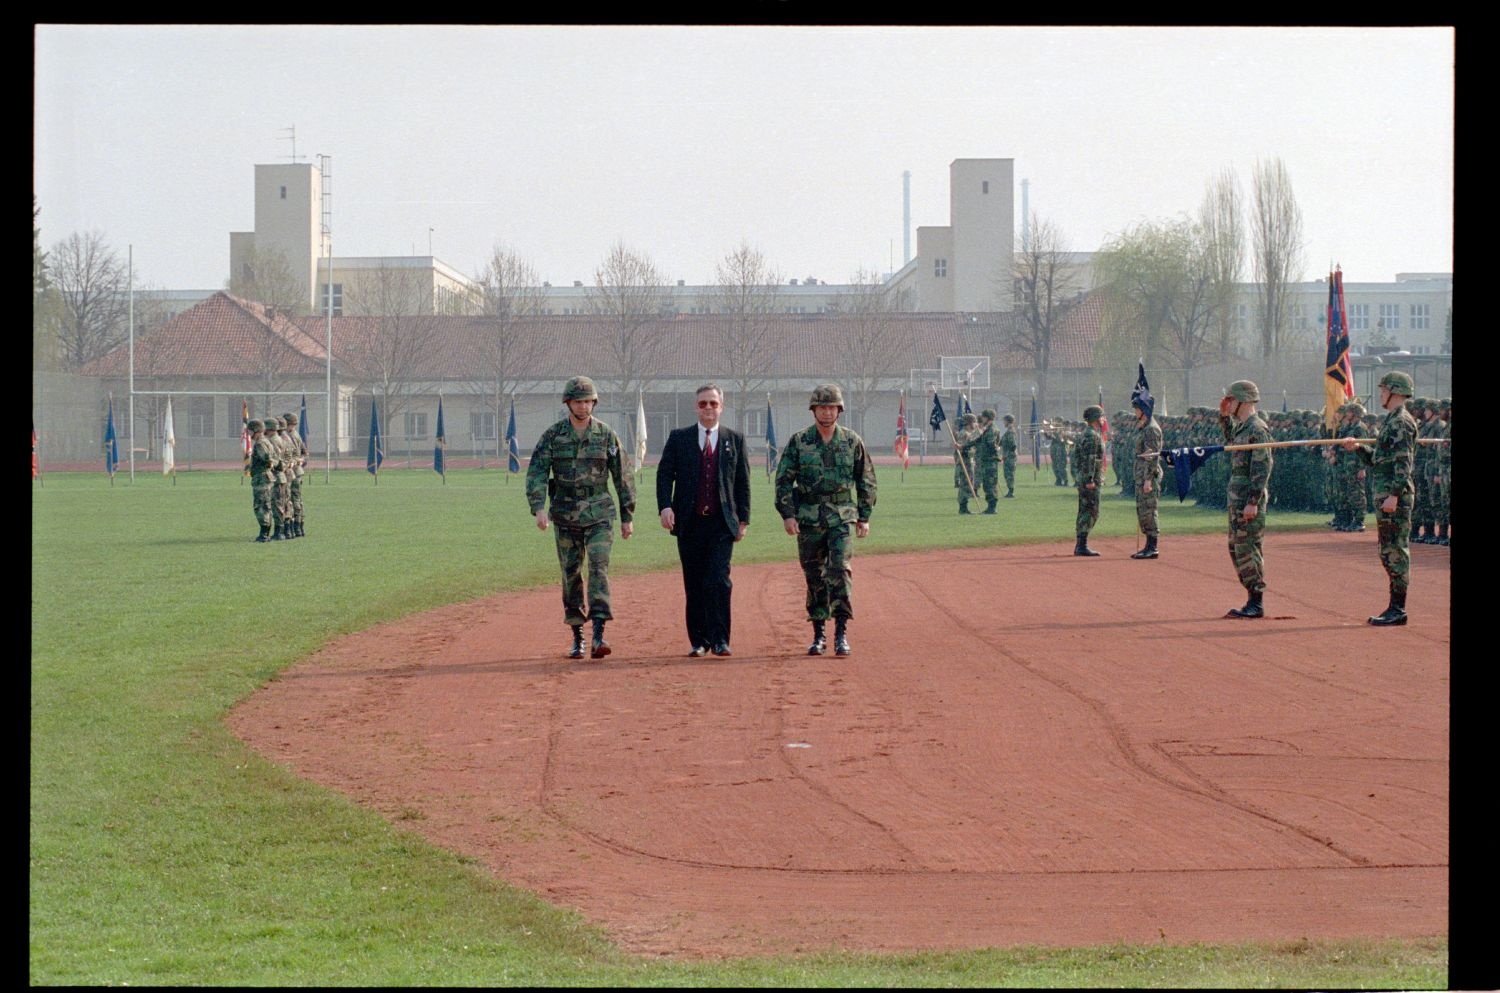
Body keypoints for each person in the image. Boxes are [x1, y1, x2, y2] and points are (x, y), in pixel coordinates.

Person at [525, 376, 636, 659]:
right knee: (571, 574)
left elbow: (622, 475)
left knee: (598, 569)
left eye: (588, 401)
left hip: (599, 514)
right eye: (578, 401)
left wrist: (627, 515)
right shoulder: (553, 436)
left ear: (594, 403)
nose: (584, 406)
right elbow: (537, 471)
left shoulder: (606, 435)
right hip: (564, 515)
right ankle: (578, 636)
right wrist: (538, 507)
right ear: (568, 404)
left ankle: (599, 634)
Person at [774, 383, 877, 657]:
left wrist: (864, 516)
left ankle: (841, 632)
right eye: (822, 407)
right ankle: (818, 632)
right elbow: (783, 481)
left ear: (839, 410)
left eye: (832, 407)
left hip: (841, 517)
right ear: (813, 410)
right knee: (813, 576)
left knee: (840, 571)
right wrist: (788, 514)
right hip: (808, 518)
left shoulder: (852, 441)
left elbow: (866, 480)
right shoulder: (799, 442)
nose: (827, 412)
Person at [655, 383, 751, 657]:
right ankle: (699, 641)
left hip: (722, 524)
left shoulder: (735, 440)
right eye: (702, 403)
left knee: (719, 581)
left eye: (713, 403)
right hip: (690, 522)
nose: (708, 408)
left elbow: (743, 482)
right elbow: (664, 476)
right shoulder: (679, 438)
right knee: (694, 581)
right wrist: (665, 507)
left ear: (721, 406)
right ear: (696, 407)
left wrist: (743, 519)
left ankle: (720, 639)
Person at [1342, 370, 1418, 626]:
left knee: (1395, 551)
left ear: (1395, 392)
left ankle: (1398, 609)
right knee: (1387, 551)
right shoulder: (1392, 420)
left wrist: (1395, 495)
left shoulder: (1401, 422)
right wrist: (1360, 448)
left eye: (1384, 390)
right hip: (1386, 493)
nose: (1381, 393)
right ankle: (1395, 606)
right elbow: (1380, 459)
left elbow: (1403, 462)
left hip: (1394, 496)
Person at [1219, 380, 1274, 618]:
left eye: (1231, 400)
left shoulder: (1257, 429)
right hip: (1237, 497)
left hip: (1248, 499)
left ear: (1242, 400)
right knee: (1237, 547)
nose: (1228, 403)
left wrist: (1253, 500)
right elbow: (1230, 438)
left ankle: (1256, 602)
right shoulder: (1242, 427)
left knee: (1247, 547)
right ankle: (1251, 597)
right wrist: (1223, 417)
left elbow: (1262, 467)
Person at [1129, 396, 1163, 560]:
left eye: (1137, 409)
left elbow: (1153, 456)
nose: (1135, 412)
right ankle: (1148, 545)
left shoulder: (1151, 429)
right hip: (1141, 475)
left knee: (1149, 510)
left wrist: (1149, 479)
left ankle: (1152, 546)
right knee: (1143, 510)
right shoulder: (1144, 427)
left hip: (1148, 476)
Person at [1071, 405, 1105, 556]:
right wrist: (1090, 479)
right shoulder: (1092, 436)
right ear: (1096, 419)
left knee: (1084, 510)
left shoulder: (1085, 434)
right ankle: (1081, 545)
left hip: (1083, 478)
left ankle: (1080, 543)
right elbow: (1090, 459)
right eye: (1102, 416)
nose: (1104, 419)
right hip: (1089, 480)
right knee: (1091, 511)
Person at [247, 419, 278, 542]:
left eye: (250, 431)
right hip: (265, 477)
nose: (249, 434)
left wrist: (269, 464)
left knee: (260, 506)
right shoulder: (267, 441)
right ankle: (265, 532)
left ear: (256, 431)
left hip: (262, 478)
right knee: (266, 505)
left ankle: (264, 534)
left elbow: (268, 459)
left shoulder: (260, 444)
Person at [967, 409, 1001, 513]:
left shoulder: (991, 430)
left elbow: (991, 445)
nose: (982, 419)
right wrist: (963, 446)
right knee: (989, 484)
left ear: (987, 418)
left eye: (984, 417)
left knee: (989, 484)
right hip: (987, 461)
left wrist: (995, 454)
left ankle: (992, 507)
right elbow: (978, 440)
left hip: (989, 462)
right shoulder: (990, 429)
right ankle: (991, 507)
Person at [281, 410, 307, 538]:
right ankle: (299, 527)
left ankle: (291, 527)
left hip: (291, 470)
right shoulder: (296, 435)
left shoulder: (287, 436)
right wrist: (301, 460)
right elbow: (304, 452)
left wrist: (296, 461)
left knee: (289, 500)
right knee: (297, 499)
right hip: (298, 470)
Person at [953, 411, 979, 514]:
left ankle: (964, 506)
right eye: (974, 422)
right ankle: (963, 507)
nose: (976, 424)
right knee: (965, 485)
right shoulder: (964, 434)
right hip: (965, 462)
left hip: (969, 461)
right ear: (969, 423)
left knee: (968, 484)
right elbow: (961, 449)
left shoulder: (970, 433)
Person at [999, 413, 1018, 497]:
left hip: (1010, 457)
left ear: (1007, 421)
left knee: (1009, 474)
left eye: (1004, 421)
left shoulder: (1010, 432)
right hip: (1008, 456)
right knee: (1007, 474)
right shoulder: (1008, 431)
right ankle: (1010, 490)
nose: (1004, 423)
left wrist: (1007, 454)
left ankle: (1011, 491)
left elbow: (1013, 445)